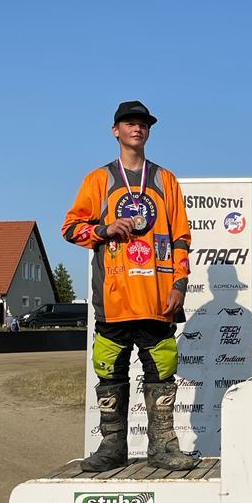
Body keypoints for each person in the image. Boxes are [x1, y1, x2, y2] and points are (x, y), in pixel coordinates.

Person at [63, 100, 196, 472]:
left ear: (148, 131)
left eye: (143, 124)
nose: (137, 128)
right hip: (114, 299)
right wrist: (104, 229)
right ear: (115, 130)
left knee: (162, 373)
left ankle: (164, 448)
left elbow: (181, 237)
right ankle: (112, 448)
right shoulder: (99, 179)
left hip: (157, 298)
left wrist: (180, 284)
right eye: (129, 123)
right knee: (110, 373)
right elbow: (70, 228)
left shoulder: (166, 179)